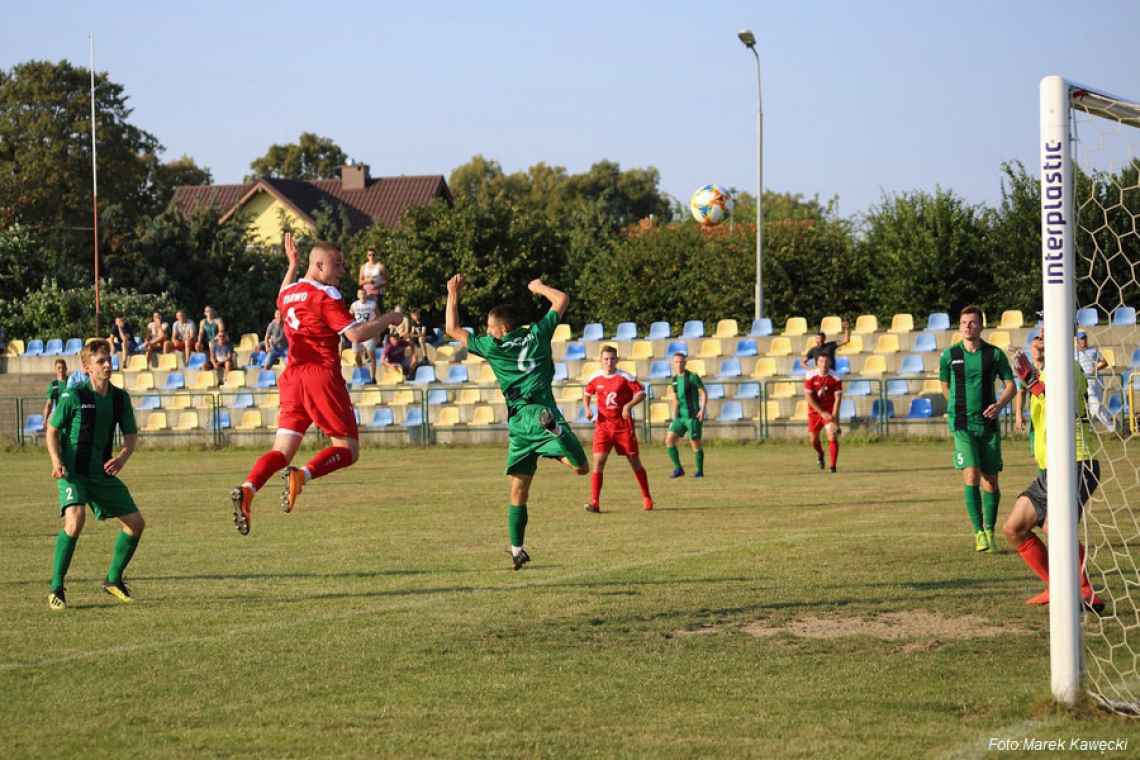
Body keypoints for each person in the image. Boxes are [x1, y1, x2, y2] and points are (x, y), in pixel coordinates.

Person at [230, 235, 402, 535]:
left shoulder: (289, 293)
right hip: (320, 375)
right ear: (319, 265)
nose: (341, 271)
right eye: (336, 265)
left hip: (292, 377)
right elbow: (356, 336)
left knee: (281, 451)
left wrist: (292, 265)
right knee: (348, 449)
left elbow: (282, 291)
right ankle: (303, 475)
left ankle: (249, 488)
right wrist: (389, 317)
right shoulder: (327, 295)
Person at [444, 273, 588, 570]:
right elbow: (561, 299)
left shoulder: (492, 346)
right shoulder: (537, 333)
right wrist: (538, 288)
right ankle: (517, 550)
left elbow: (451, 328)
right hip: (541, 414)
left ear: (500, 329)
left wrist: (453, 293)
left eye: (489, 327)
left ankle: (517, 546)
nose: (487, 331)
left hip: (520, 422)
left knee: (518, 490)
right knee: (579, 469)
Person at [1003, 327, 1103, 612]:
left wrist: (1029, 378)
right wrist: (1030, 377)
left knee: (1054, 528)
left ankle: (1084, 590)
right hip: (1052, 468)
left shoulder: (1069, 366)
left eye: (1048, 335)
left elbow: (1056, 398)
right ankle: (1055, 587)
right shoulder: (1042, 373)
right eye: (1037, 336)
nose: (1040, 339)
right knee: (1014, 528)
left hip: (1077, 461)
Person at [45, 339, 144, 609]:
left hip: (101, 473)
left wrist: (122, 457)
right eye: (101, 361)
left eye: (108, 359)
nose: (107, 365)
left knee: (135, 523)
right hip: (72, 472)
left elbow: (131, 436)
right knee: (75, 521)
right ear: (87, 367)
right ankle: (56, 588)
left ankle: (113, 580)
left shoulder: (119, 397)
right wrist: (56, 461)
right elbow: (52, 431)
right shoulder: (73, 395)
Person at [939, 305, 1016, 553]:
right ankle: (978, 533)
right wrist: (954, 408)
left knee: (990, 480)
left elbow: (1011, 386)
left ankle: (991, 530)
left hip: (988, 425)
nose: (967, 327)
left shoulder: (994, 354)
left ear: (981, 325)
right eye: (963, 323)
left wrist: (999, 404)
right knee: (971, 473)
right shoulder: (949, 355)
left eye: (972, 323)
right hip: (962, 425)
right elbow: (944, 384)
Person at [582, 346, 653, 512]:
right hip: (603, 426)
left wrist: (629, 405)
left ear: (617, 360)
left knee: (634, 462)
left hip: (623, 426)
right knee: (598, 462)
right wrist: (587, 408)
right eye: (606, 359)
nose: (609, 362)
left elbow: (641, 393)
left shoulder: (624, 377)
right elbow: (587, 393)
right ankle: (595, 502)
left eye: (612, 359)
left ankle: (647, 497)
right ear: (601, 360)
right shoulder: (595, 377)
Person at [665, 353, 707, 478]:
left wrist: (702, 409)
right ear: (674, 364)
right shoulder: (674, 380)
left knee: (695, 443)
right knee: (669, 440)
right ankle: (678, 469)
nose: (679, 364)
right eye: (676, 362)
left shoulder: (692, 377)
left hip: (692, 417)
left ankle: (699, 471)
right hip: (680, 417)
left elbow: (703, 393)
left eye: (681, 362)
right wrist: (674, 417)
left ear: (685, 363)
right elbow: (676, 400)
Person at [804, 353, 843, 472]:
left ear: (830, 363)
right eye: (821, 361)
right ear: (817, 363)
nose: (824, 364)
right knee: (813, 441)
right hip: (815, 412)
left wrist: (834, 419)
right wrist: (821, 412)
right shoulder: (810, 375)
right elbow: (808, 397)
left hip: (829, 411)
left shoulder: (836, 377)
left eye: (826, 361)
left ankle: (833, 466)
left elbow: (838, 399)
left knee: (832, 436)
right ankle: (820, 454)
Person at [1014, 334, 1045, 467]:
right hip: (1036, 420)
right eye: (1034, 346)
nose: (1037, 348)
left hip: (1052, 417)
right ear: (1031, 351)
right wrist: (1019, 415)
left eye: (1040, 345)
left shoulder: (1055, 368)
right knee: (1039, 456)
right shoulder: (1028, 370)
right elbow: (1021, 393)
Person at [1074, 331, 1114, 431]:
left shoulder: (1093, 351)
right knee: (1087, 409)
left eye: (1085, 338)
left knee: (1096, 406)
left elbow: (1104, 362)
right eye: (1082, 339)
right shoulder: (1072, 353)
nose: (1084, 341)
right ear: (1077, 340)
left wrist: (1095, 368)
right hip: (1079, 383)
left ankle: (1113, 428)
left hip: (1093, 383)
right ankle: (1089, 429)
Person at [349, 289, 379, 380]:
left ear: (366, 294)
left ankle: (373, 377)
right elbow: (349, 316)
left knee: (371, 355)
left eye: (364, 293)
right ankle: (362, 372)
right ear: (358, 295)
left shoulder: (372, 304)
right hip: (358, 333)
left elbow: (378, 317)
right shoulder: (354, 305)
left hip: (369, 332)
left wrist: (376, 332)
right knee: (356, 355)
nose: (362, 295)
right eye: (360, 293)